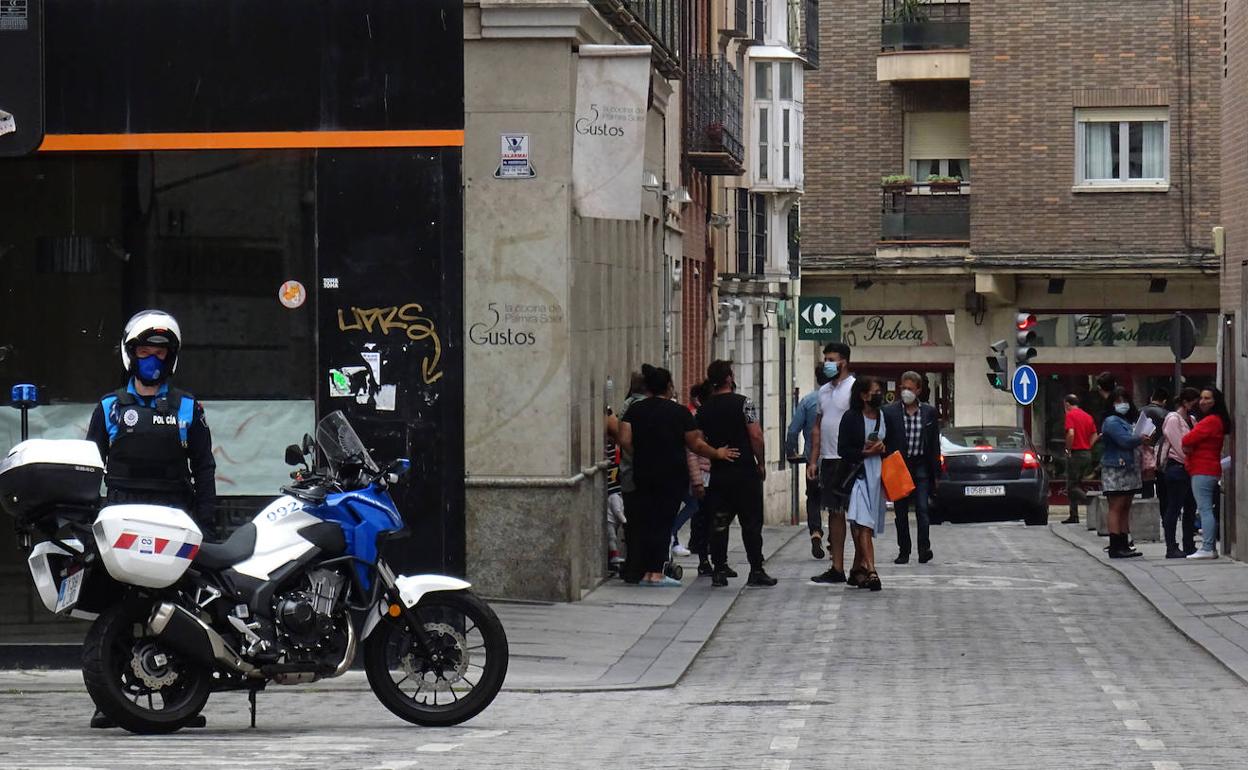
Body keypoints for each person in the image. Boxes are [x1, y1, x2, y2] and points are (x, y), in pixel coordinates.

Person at [85, 310, 215, 729]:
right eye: (144, 350)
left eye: (159, 351)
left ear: (171, 357)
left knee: (179, 609)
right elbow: (90, 466)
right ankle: (112, 699)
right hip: (122, 515)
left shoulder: (189, 408)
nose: (152, 359)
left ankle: (183, 697)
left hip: (174, 518)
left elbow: (205, 469)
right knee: (120, 609)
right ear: (129, 353)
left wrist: (206, 522)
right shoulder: (107, 407)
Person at [618, 365, 738, 586]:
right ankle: (656, 572)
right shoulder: (679, 412)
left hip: (643, 473)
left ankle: (642, 571)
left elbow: (624, 438)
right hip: (671, 475)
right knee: (664, 522)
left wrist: (640, 454)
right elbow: (696, 444)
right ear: (668, 387)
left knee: (645, 521)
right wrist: (717, 453)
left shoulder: (635, 410)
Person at [698, 360, 777, 588]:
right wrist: (760, 462)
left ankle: (719, 568)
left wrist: (715, 453)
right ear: (729, 378)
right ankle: (756, 569)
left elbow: (697, 441)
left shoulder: (704, 410)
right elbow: (756, 436)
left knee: (719, 522)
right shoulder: (746, 404)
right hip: (744, 472)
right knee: (751, 523)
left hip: (720, 473)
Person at [807, 343, 856, 584]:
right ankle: (837, 567)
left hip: (849, 460)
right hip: (828, 459)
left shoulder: (855, 388)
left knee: (856, 515)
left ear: (844, 362)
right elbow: (817, 427)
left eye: (831, 359)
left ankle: (861, 565)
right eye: (825, 358)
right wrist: (813, 460)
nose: (826, 363)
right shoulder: (823, 391)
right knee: (834, 514)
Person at [882, 371, 940, 565]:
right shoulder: (889, 412)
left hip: (921, 465)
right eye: (903, 388)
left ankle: (924, 548)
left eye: (910, 388)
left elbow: (934, 444)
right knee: (901, 512)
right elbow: (885, 439)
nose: (906, 392)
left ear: (918, 390)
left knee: (923, 509)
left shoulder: (929, 412)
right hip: (899, 466)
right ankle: (904, 551)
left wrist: (936, 474)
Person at [838, 376, 887, 591]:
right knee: (863, 523)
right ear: (863, 395)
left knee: (863, 526)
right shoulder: (851, 417)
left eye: (879, 391)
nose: (878, 395)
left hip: (877, 477)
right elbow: (843, 449)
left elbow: (894, 443)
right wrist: (864, 452)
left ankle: (857, 569)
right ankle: (872, 570)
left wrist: (883, 448)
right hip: (857, 476)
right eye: (874, 391)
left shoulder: (884, 416)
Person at [1099, 387, 1151, 559]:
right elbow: (1125, 441)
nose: (1123, 405)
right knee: (1116, 506)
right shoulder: (1112, 421)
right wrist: (1139, 438)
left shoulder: (1126, 421)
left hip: (1129, 468)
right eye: (1118, 401)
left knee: (1126, 506)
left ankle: (1124, 542)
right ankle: (1116, 545)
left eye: (1125, 401)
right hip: (1117, 469)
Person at [786, 364, 832, 559]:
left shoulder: (807, 401)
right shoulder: (837, 401)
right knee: (834, 503)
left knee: (813, 497)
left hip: (811, 459)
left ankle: (815, 532)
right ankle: (833, 543)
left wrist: (790, 452)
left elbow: (792, 430)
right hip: (834, 459)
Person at [1182, 386, 1231, 560]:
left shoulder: (1210, 421)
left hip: (1203, 469)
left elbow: (1187, 439)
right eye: (1201, 398)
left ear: (1215, 401)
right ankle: (1209, 547)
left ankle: (1208, 547)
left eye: (1207, 398)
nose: (1203, 401)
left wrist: (1190, 446)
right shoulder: (1216, 421)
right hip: (1208, 468)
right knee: (1206, 508)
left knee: (1204, 509)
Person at [1159, 387, 1200, 558]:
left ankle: (1189, 544)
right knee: (1174, 508)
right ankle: (1171, 546)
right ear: (1185, 402)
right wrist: (1190, 458)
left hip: (1190, 468)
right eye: (1194, 402)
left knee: (1190, 508)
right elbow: (1178, 444)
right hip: (1177, 467)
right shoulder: (1173, 419)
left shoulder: (1191, 419)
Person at [671, 383, 710, 558]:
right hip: (696, 472)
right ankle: (673, 535)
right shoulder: (695, 417)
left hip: (693, 471)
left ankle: (677, 538)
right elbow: (692, 452)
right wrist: (696, 480)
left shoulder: (696, 416)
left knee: (698, 510)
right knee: (696, 507)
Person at [1061, 394, 1097, 524]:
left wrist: (1068, 449)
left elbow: (1070, 433)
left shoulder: (1070, 415)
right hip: (1086, 453)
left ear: (1067, 404)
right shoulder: (1088, 416)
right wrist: (1088, 445)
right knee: (1076, 483)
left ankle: (1091, 501)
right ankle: (1074, 514)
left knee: (1071, 486)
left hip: (1076, 453)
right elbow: (1095, 434)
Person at [604, 405, 627, 573]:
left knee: (614, 529)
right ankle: (613, 556)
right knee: (611, 531)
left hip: (617, 492)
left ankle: (615, 555)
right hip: (612, 493)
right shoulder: (610, 449)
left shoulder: (619, 449)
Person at [1140, 388, 1171, 504]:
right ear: (1164, 401)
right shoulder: (1167, 415)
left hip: (1143, 451)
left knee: (1146, 482)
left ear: (1152, 398)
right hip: (1161, 452)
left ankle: (1147, 503)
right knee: (1162, 485)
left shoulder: (1140, 411)